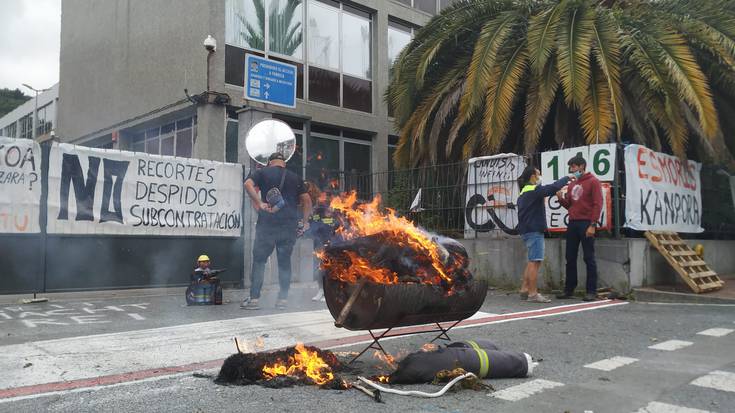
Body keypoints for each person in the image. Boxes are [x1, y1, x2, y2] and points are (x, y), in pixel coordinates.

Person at [241, 152, 312, 310]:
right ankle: (283, 300)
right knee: (284, 263)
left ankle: (254, 300)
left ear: (269, 162)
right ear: (283, 163)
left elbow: (247, 184)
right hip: (289, 226)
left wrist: (259, 202)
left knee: (259, 260)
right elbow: (307, 200)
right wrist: (305, 222)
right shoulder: (295, 177)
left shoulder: (262, 172)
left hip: (267, 225)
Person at [516, 166, 572, 303]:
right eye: (538, 174)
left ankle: (524, 289)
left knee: (531, 261)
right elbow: (552, 188)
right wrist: (567, 178)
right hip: (534, 230)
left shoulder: (524, 191)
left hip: (527, 230)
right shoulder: (533, 190)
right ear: (533, 176)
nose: (540, 176)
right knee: (535, 261)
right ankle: (533, 294)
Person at [556, 155, 603, 302]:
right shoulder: (572, 184)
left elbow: (598, 203)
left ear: (582, 166)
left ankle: (591, 291)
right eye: (571, 167)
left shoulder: (593, 181)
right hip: (573, 223)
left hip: (586, 223)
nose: (572, 170)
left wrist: (593, 224)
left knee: (588, 257)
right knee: (570, 257)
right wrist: (560, 198)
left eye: (574, 167)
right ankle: (569, 289)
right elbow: (569, 205)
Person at [304, 182, 338, 302]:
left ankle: (329, 292)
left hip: (333, 244)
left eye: (327, 196)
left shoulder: (336, 211)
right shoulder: (316, 211)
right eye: (322, 196)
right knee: (319, 268)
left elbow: (339, 227)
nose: (323, 199)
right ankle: (321, 290)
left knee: (329, 269)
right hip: (318, 244)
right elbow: (312, 226)